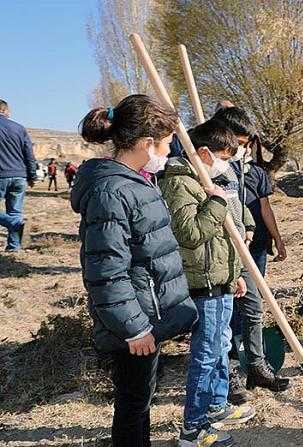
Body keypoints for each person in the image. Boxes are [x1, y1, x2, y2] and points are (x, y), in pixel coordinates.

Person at [71, 94, 200, 447]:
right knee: (132, 404)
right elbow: (106, 271)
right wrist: (135, 328)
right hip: (134, 323)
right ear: (147, 143)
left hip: (147, 314)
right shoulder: (113, 192)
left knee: (140, 399)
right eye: (168, 142)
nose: (170, 149)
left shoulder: (136, 182)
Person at [159, 119, 256, 445]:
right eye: (224, 157)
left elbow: (229, 224)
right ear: (203, 153)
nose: (227, 164)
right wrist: (215, 201)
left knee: (220, 348)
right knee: (205, 354)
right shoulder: (180, 184)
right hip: (203, 284)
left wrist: (235, 275)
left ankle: (215, 405)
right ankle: (193, 428)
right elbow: (190, 234)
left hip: (221, 279)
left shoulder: (207, 179)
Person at [211, 105, 291, 397]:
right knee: (228, 315)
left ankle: (257, 367)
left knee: (254, 307)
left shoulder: (252, 172)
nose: (243, 150)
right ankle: (231, 372)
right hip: (224, 252)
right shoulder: (212, 168)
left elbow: (257, 209)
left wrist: (274, 238)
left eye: (246, 145)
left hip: (251, 249)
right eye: (240, 144)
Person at [0, 99, 36, 252]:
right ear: (6, 111)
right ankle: (14, 247)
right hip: (19, 176)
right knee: (15, 211)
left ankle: (14, 224)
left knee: (13, 217)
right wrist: (32, 175)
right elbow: (29, 154)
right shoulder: (19, 128)